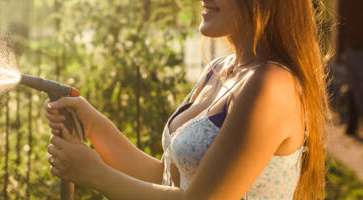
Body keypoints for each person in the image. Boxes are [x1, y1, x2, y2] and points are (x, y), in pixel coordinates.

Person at [44, 0, 329, 199]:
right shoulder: (218, 72)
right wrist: (94, 125)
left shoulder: (270, 85)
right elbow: (164, 180)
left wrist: (94, 174)